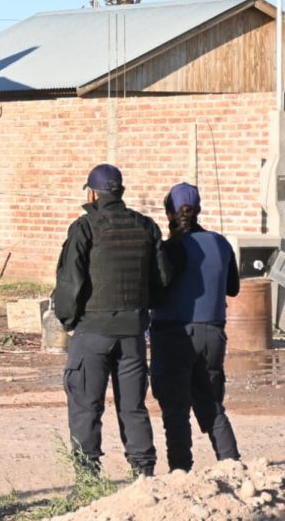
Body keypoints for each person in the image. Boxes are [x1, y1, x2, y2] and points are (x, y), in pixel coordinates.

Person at [53, 163, 171, 477]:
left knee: (86, 407)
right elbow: (162, 280)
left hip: (93, 332)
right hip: (132, 334)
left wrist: (68, 321)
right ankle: (144, 474)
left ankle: (88, 476)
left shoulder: (85, 227)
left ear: (92, 192)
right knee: (133, 407)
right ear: (120, 192)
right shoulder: (146, 226)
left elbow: (70, 281)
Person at [149, 182, 241, 472]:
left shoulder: (169, 248)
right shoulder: (220, 243)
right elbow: (233, 289)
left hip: (173, 335)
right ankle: (233, 467)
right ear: (198, 210)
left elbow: (156, 292)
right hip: (213, 334)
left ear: (169, 212)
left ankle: (180, 474)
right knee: (211, 404)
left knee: (175, 409)